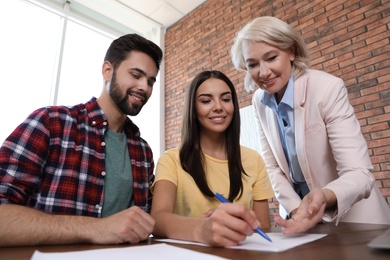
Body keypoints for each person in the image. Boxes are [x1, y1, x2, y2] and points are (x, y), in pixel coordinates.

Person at [230, 16, 390, 235]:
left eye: (271, 58)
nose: (264, 72)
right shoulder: (259, 101)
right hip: (303, 222)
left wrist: (322, 198)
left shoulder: (327, 89)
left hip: (354, 220)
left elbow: (359, 173)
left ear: (292, 52)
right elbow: (273, 167)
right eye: (253, 65)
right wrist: (299, 211)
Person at [0, 33, 163, 246]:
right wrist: (97, 228)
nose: (144, 87)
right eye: (136, 75)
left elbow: (151, 218)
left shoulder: (143, 150)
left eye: (150, 81)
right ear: (107, 71)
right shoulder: (50, 122)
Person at [151, 70, 274, 247]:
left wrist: (235, 224)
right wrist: (204, 227)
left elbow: (263, 226)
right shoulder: (171, 160)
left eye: (225, 99)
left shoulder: (253, 160)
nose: (218, 107)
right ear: (193, 109)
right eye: (206, 101)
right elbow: (158, 220)